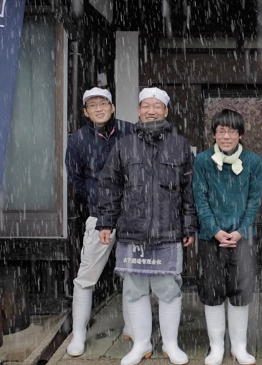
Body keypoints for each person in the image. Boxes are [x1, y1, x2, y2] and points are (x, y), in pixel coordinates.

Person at [96, 87, 197, 365]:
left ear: (166, 111)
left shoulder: (180, 145)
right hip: (132, 231)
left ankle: (171, 344)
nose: (151, 110)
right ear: (138, 111)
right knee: (135, 289)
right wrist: (105, 222)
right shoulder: (124, 145)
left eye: (157, 106)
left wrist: (189, 226)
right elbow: (109, 187)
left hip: (168, 231)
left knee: (169, 288)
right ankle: (141, 344)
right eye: (145, 105)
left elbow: (189, 190)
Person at [64, 87, 134, 357]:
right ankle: (79, 334)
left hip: (131, 215)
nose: (99, 108)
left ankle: (131, 326)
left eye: (103, 103)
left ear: (113, 107)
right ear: (85, 112)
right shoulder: (78, 139)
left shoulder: (129, 131)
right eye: (93, 105)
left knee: (132, 274)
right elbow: (77, 179)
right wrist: (98, 197)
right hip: (98, 215)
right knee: (85, 278)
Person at [192, 109, 262, 365]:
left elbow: (255, 200)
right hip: (210, 238)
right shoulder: (202, 160)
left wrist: (241, 231)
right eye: (221, 131)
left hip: (242, 238)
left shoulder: (253, 161)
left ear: (240, 135)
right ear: (214, 134)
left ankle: (239, 347)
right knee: (212, 292)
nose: (226, 136)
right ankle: (216, 348)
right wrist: (215, 230)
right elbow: (200, 198)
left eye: (231, 131)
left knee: (240, 292)